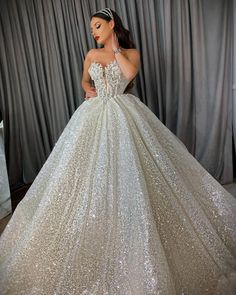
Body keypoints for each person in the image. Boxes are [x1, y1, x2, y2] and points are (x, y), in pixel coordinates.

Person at [0, 7, 236, 295]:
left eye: (98, 26)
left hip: (126, 114)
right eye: (92, 29)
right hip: (92, 116)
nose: (94, 32)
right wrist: (89, 89)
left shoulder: (131, 54)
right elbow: (84, 81)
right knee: (86, 176)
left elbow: (128, 73)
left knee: (134, 172)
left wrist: (114, 50)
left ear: (112, 25)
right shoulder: (90, 54)